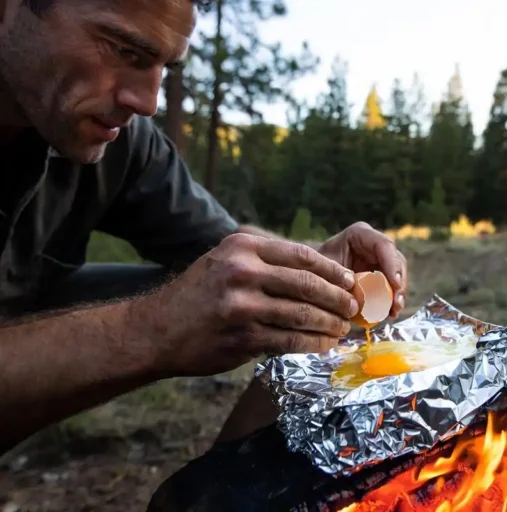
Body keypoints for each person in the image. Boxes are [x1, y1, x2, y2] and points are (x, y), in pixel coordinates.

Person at [0, 0, 408, 454]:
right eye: (123, 51)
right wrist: (151, 329)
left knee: (241, 296)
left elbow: (224, 247)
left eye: (163, 68)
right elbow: (163, 318)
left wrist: (311, 268)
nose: (148, 102)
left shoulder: (120, 139)